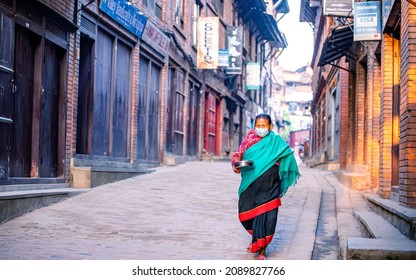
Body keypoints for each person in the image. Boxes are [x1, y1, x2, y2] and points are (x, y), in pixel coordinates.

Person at [231, 113, 300, 260]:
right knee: (247, 214)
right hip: (250, 186)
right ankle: (256, 240)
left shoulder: (276, 142)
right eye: (258, 126)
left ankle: (262, 250)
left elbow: (288, 156)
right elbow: (238, 155)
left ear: (270, 127)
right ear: (255, 126)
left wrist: (279, 163)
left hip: (270, 187)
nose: (261, 128)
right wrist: (236, 166)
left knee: (267, 216)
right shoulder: (249, 139)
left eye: (264, 126)